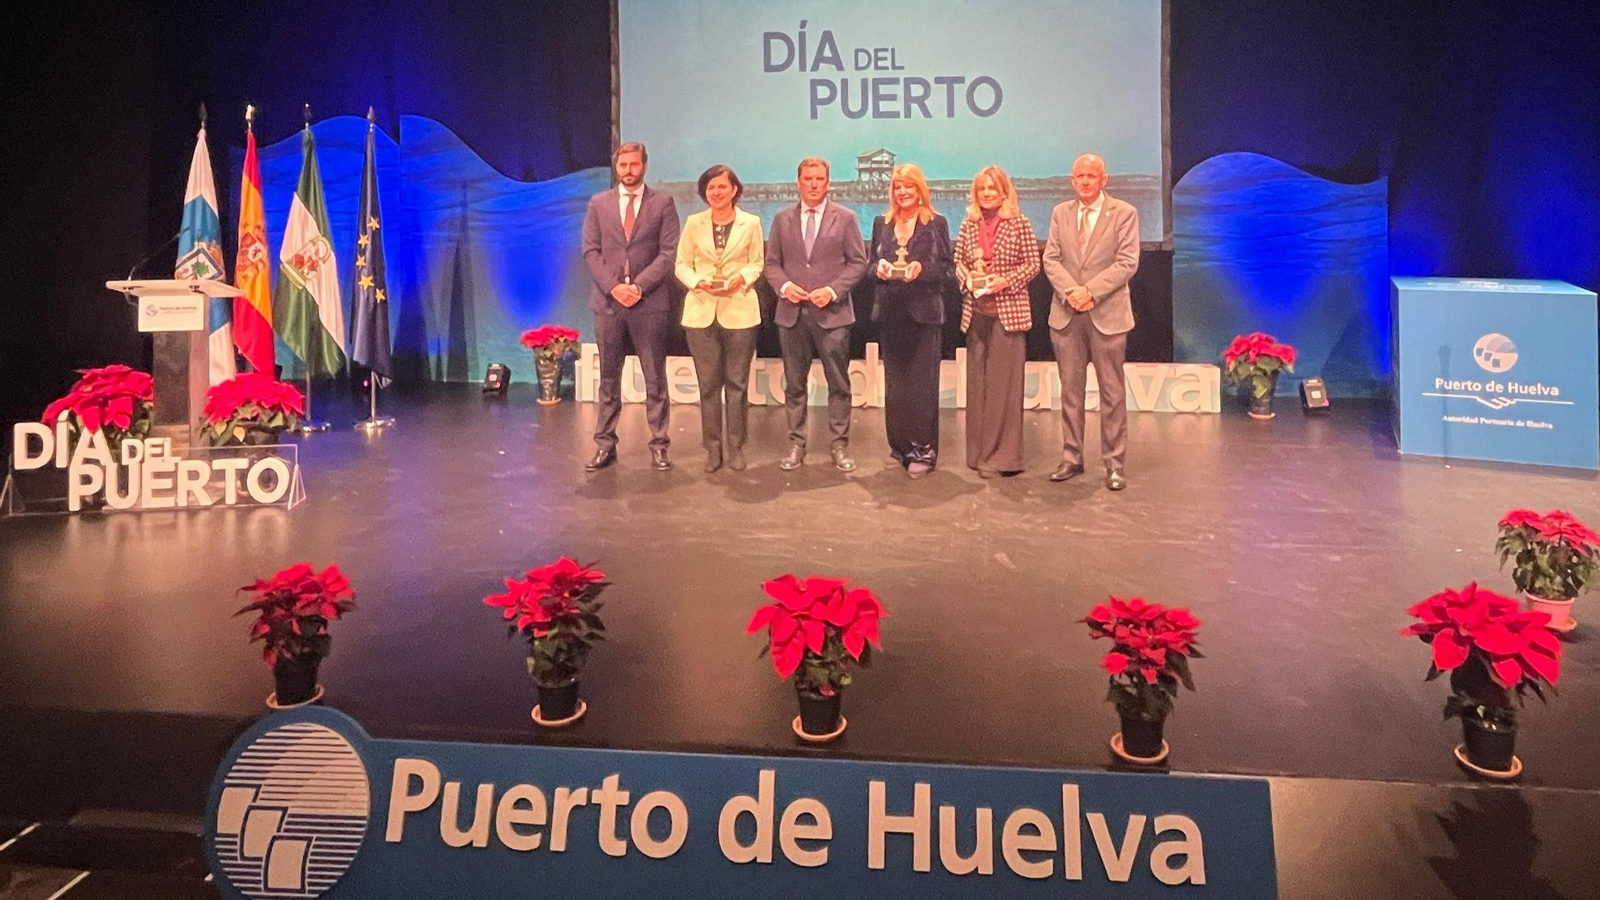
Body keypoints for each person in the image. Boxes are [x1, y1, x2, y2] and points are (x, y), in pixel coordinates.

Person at [1042, 153, 1141, 491]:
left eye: (1091, 175)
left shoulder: (1124, 214)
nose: (1084, 181)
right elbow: (1051, 258)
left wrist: (1090, 292)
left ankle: (1114, 464)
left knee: (1112, 393)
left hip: (1107, 315)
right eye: (1079, 176)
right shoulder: (1060, 213)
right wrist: (1072, 291)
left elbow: (1127, 262)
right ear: (1072, 181)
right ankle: (1072, 457)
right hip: (1067, 315)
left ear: (1104, 179)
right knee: (1070, 392)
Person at [763, 157, 869, 472]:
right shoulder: (782, 219)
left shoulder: (846, 218)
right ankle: (796, 445)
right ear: (798, 182)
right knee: (794, 385)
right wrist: (784, 287)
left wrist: (833, 290)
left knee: (838, 383)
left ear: (828, 182)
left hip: (832, 314)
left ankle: (838, 446)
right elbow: (771, 264)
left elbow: (858, 262)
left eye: (819, 178)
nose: (813, 184)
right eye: (807, 178)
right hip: (792, 314)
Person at [580, 141, 681, 472]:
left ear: (644, 166)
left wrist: (638, 287)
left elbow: (668, 252)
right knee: (609, 378)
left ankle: (659, 445)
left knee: (655, 377)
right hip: (608, 304)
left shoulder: (663, 203)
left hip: (649, 303)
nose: (628, 171)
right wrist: (614, 288)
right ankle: (605, 444)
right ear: (616, 167)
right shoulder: (599, 203)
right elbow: (591, 252)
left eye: (634, 165)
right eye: (623, 165)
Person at [674, 164, 764, 473]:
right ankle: (713, 448)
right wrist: (698, 282)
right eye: (711, 188)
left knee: (737, 384)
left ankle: (736, 446)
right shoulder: (694, 223)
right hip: (701, 310)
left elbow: (757, 264)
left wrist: (740, 279)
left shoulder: (751, 223)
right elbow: (682, 264)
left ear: (734, 189)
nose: (716, 193)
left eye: (722, 187)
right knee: (708, 385)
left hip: (739, 309)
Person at [953, 165, 1040, 478]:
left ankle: (1003, 457)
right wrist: (969, 281)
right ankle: (978, 454)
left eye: (992, 188)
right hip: (975, 314)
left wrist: (1005, 281)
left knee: (1004, 389)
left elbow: (1033, 264)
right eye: (982, 189)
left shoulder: (1019, 223)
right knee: (977, 387)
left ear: (1004, 191)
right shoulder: (968, 224)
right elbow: (959, 262)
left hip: (1008, 314)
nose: (987, 194)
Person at [869, 163, 951, 478]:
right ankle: (900, 448)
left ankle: (924, 452)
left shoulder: (936, 223)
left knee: (922, 387)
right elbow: (870, 264)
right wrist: (878, 269)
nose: (903, 192)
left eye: (909, 187)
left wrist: (920, 269)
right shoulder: (882, 223)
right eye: (898, 187)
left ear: (920, 190)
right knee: (896, 385)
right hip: (891, 313)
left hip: (924, 313)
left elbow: (945, 270)